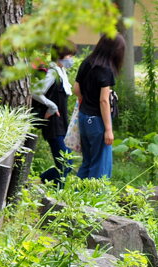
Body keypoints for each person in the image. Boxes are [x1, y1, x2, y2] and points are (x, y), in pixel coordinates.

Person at [73, 34, 125, 179]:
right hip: (96, 122)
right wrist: (108, 130)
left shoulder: (87, 62)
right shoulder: (106, 69)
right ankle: (94, 200)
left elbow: (76, 90)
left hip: (83, 117)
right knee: (100, 166)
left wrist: (87, 100)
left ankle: (76, 197)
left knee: (87, 162)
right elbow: (104, 101)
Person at [31, 44, 76, 185]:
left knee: (67, 163)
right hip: (53, 125)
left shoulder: (61, 72)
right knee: (64, 164)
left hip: (62, 124)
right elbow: (35, 92)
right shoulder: (53, 73)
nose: (72, 59)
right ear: (60, 56)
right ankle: (45, 187)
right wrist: (52, 105)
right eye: (70, 56)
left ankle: (38, 182)